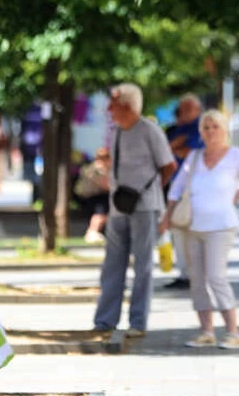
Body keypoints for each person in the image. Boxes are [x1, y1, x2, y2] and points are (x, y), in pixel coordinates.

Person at [161, 110, 239, 349]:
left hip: (221, 226)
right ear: (200, 132)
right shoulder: (194, 157)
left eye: (215, 127)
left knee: (215, 276)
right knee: (197, 280)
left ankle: (233, 332)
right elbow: (177, 188)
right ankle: (206, 331)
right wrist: (167, 216)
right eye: (206, 127)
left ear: (224, 130)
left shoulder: (236, 156)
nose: (210, 131)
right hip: (193, 225)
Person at [93, 83, 176, 338]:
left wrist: (150, 192)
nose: (109, 109)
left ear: (127, 106)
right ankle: (105, 320)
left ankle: (138, 322)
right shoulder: (118, 131)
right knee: (112, 264)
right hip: (119, 206)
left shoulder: (149, 130)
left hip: (145, 207)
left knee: (143, 266)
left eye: (113, 104)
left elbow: (168, 166)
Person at [164, 93, 204, 290]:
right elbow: (167, 150)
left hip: (197, 187)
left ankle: (195, 272)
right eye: (183, 108)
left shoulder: (202, 127)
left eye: (189, 108)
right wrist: (177, 145)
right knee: (178, 228)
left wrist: (178, 146)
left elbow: (191, 151)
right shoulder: (176, 129)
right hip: (177, 186)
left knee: (195, 230)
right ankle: (184, 272)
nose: (185, 112)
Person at [74, 147, 111, 243]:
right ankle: (93, 231)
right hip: (89, 197)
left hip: (91, 196)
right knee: (102, 209)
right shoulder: (99, 168)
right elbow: (106, 186)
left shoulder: (95, 166)